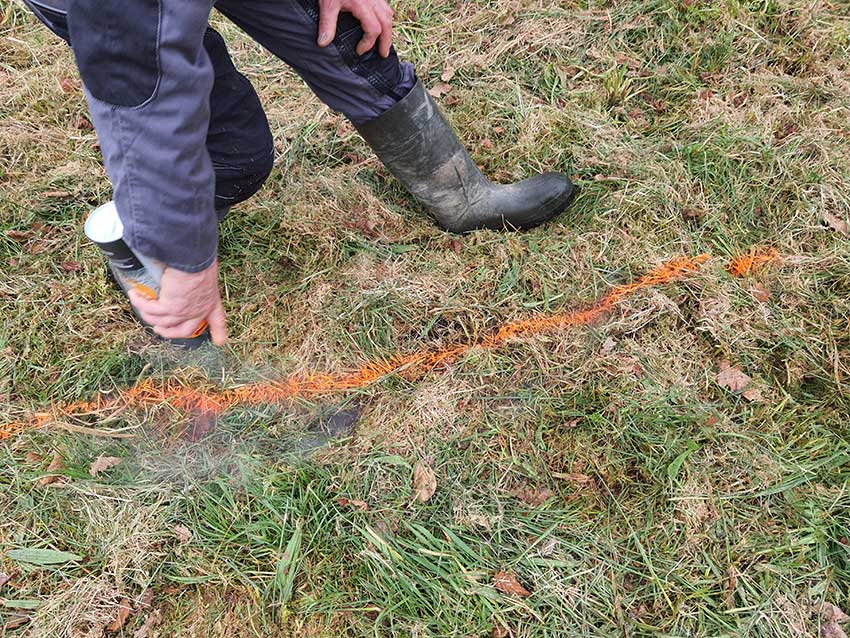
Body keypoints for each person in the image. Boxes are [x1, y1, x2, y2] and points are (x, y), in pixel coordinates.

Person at [23, 0, 576, 346]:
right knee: (234, 152)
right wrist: (187, 256)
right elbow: (150, 99)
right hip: (121, 14)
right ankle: (158, 269)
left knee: (339, 30)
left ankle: (459, 195)